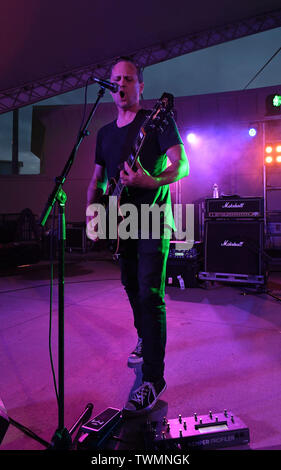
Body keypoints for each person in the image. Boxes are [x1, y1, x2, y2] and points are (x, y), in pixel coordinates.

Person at [86, 57, 189, 415]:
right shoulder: (103, 133)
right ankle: (145, 336)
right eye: (116, 78)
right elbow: (98, 180)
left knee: (150, 292)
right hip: (123, 220)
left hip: (153, 217)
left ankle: (153, 379)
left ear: (140, 87)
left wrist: (150, 180)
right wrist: (93, 212)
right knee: (131, 285)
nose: (121, 84)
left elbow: (183, 165)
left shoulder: (157, 120)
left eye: (129, 79)